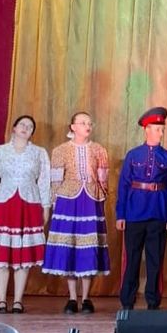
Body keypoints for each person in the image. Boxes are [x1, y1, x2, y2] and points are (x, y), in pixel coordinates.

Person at [0, 115, 51, 314]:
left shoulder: (39, 153)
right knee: (2, 254)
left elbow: (44, 181)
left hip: (29, 204)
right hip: (3, 203)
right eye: (22, 125)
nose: (26, 128)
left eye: (30, 126)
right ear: (14, 128)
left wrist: (46, 206)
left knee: (23, 255)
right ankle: (1, 300)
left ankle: (18, 300)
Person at [43, 112, 111, 313]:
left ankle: (86, 298)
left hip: (91, 200)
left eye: (89, 123)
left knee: (88, 246)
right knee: (70, 245)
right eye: (82, 123)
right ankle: (72, 298)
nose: (87, 126)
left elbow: (103, 178)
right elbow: (56, 179)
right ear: (72, 126)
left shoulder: (99, 150)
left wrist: (101, 196)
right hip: (68, 200)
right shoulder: (60, 150)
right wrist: (55, 201)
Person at [117, 106, 167, 310]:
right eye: (157, 129)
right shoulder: (133, 155)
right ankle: (127, 301)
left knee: (155, 260)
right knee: (132, 259)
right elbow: (124, 185)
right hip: (134, 213)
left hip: (158, 213)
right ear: (147, 129)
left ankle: (153, 301)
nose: (161, 133)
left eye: (162, 130)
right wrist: (121, 214)